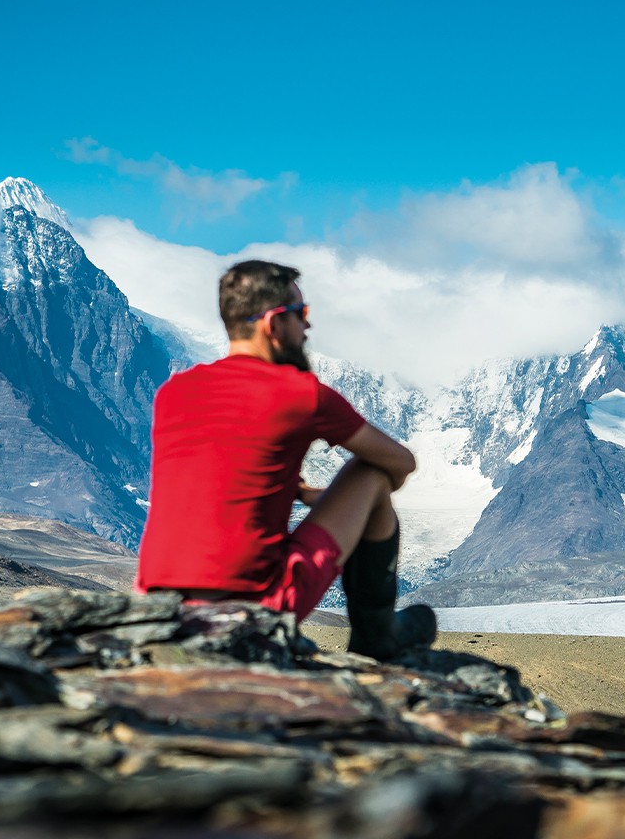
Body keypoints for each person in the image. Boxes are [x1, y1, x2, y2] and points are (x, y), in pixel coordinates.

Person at [134, 259, 436, 660]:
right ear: (272, 324)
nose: (307, 327)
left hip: (157, 601)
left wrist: (301, 493)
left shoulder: (174, 392)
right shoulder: (302, 394)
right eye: (301, 314)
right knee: (370, 472)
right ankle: (377, 634)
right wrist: (342, 504)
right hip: (257, 604)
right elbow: (399, 463)